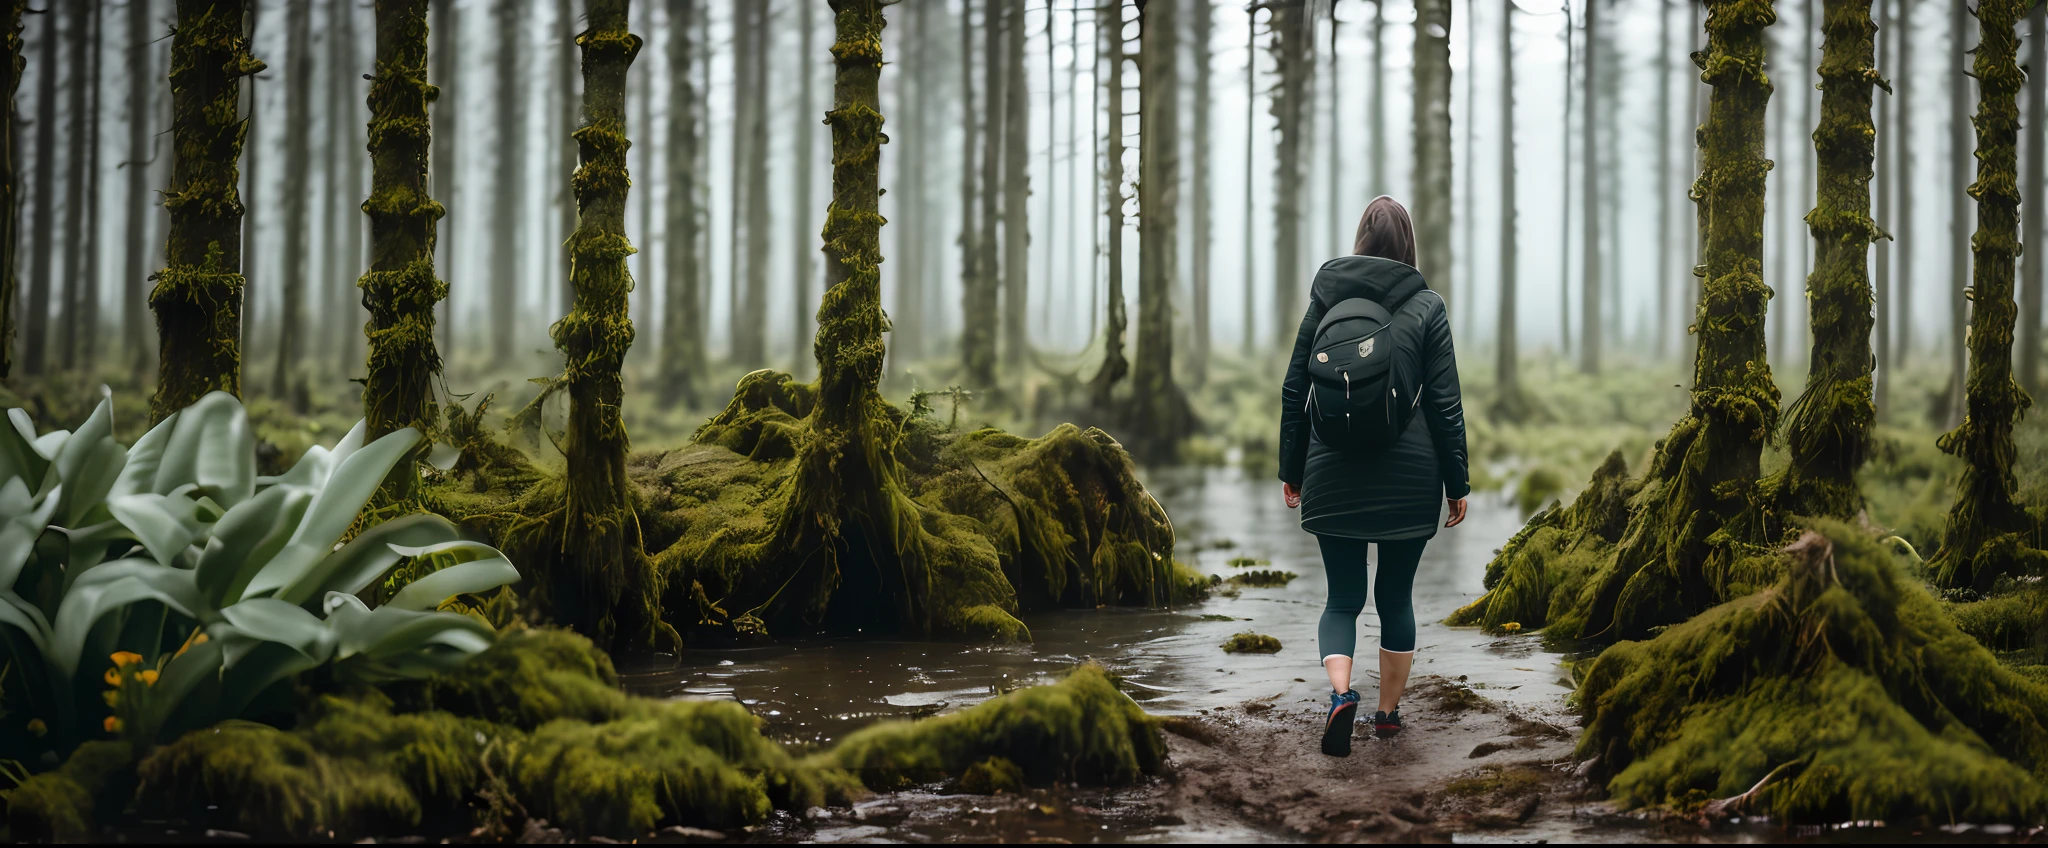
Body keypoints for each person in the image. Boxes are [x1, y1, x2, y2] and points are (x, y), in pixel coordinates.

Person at [1276, 196, 1470, 757]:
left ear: (1359, 240)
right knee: (1395, 598)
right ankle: (1387, 716)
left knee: (1341, 599)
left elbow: (1295, 387)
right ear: (1408, 245)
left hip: (1331, 470)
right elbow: (1445, 404)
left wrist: (1292, 469)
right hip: (1410, 479)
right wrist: (1456, 482)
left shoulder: (1325, 296)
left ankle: (1341, 696)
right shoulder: (1428, 305)